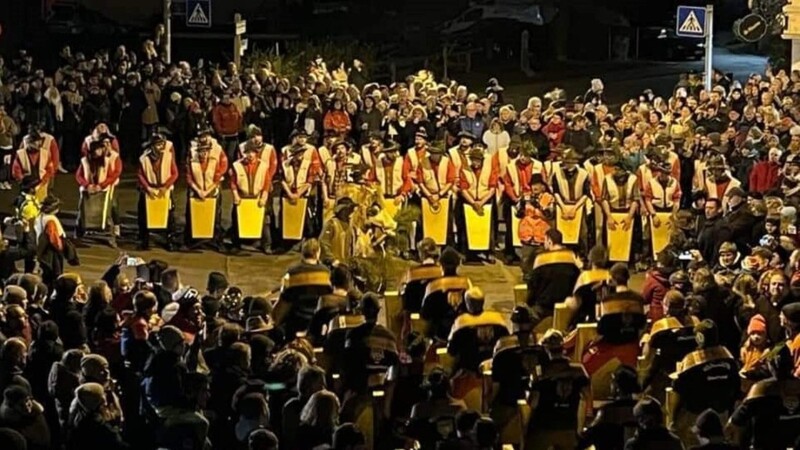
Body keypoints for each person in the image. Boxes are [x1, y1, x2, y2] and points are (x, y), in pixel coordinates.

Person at [527, 329, 590, 450]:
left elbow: (533, 403)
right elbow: (588, 398)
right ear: (563, 348)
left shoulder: (540, 373)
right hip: (569, 429)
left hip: (543, 432)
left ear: (545, 350)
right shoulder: (579, 370)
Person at [184, 128, 229, 249]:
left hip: (212, 188)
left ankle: (216, 240)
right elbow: (188, 176)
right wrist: (198, 190)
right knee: (191, 215)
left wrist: (208, 190)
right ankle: (190, 240)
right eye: (202, 136)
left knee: (216, 216)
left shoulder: (217, 149)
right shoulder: (192, 151)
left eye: (206, 135)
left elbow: (221, 170)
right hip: (195, 189)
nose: (204, 138)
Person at [525, 229, 580, 324]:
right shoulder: (572, 257)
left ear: (550, 241)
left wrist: (528, 303)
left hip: (543, 308)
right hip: (566, 307)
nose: (544, 244)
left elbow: (532, 286)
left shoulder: (541, 259)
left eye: (545, 240)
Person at [456, 146, 499, 262]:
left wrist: (481, 202)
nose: (476, 163)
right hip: (469, 201)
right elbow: (463, 189)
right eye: (474, 160)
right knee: (466, 228)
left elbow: (492, 188)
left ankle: (490, 252)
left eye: (478, 160)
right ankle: (465, 253)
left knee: (489, 228)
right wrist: (473, 202)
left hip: (485, 200)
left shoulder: (489, 169)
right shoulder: (465, 170)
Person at [75, 140, 122, 246]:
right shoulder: (85, 161)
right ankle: (78, 235)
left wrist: (102, 185)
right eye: (98, 149)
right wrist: (87, 185)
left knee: (107, 215)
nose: (100, 151)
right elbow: (79, 176)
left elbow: (112, 176)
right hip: (88, 191)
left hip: (103, 191)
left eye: (101, 149)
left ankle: (111, 238)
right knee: (82, 213)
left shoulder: (107, 161)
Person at [229, 142, 274, 254]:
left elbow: (267, 182)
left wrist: (264, 197)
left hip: (257, 197)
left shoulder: (263, 166)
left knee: (264, 222)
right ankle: (236, 244)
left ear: (256, 153)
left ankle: (267, 245)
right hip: (242, 198)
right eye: (247, 152)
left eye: (252, 152)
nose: (250, 155)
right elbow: (233, 182)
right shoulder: (237, 165)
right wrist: (235, 195)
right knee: (236, 220)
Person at [136, 133, 179, 251]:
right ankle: (144, 239)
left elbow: (175, 173)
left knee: (169, 215)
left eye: (162, 144)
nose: (161, 147)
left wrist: (166, 186)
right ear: (152, 146)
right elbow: (140, 174)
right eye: (158, 144)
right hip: (149, 188)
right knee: (144, 214)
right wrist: (147, 188)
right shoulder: (144, 159)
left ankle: (170, 239)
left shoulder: (168, 157)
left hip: (164, 189)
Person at [12, 130, 55, 195]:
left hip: (42, 185)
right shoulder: (20, 154)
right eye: (33, 143)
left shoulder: (45, 153)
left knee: (42, 203)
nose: (36, 144)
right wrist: (22, 181)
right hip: (26, 185)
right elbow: (16, 170)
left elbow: (50, 170)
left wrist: (44, 181)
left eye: (37, 142)